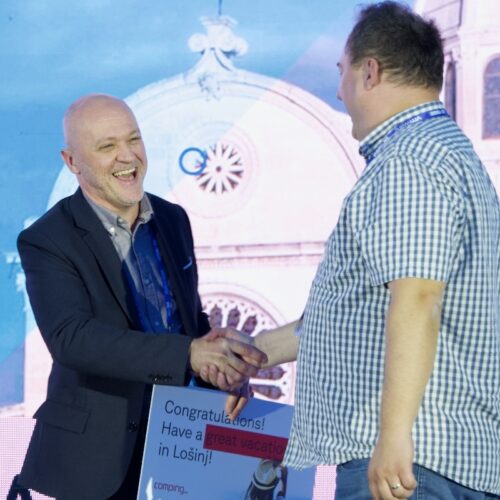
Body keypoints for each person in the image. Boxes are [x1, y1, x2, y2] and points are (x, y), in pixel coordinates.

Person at [207, 2, 500, 499]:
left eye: (342, 72)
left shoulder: (410, 160)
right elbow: (356, 314)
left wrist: (394, 436)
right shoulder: (441, 154)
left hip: (411, 464)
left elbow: (418, 297)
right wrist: (252, 354)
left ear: (370, 72)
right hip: (431, 461)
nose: (340, 90)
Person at [17, 94, 266, 499]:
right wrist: (188, 354)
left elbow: (189, 322)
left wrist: (223, 370)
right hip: (96, 463)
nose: (127, 156)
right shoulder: (48, 239)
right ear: (72, 161)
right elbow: (73, 339)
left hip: (180, 445)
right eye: (107, 146)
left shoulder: (173, 219)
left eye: (133, 139)